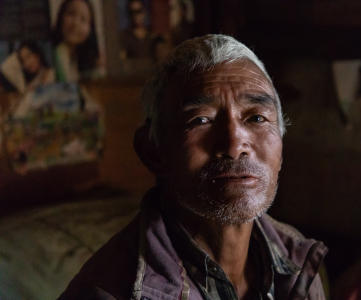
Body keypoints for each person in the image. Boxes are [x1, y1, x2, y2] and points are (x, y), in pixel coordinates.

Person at [58, 34, 328, 300]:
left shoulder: (297, 262)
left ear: (280, 143)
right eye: (201, 120)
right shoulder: (107, 291)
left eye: (256, 117)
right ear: (151, 150)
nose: (235, 145)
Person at [52, 0, 101, 81]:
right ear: (60, 16)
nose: (76, 23)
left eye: (83, 19)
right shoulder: (50, 57)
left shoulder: (92, 61)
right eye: (71, 14)